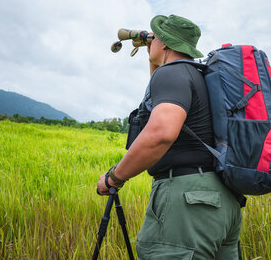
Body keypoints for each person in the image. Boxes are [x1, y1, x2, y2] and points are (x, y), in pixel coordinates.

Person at [96, 14, 242, 259]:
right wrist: (153, 56)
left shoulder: (172, 74)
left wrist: (114, 177)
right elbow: (159, 98)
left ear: (163, 43)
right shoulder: (199, 76)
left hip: (187, 202)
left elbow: (161, 133)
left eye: (154, 37)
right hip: (224, 201)